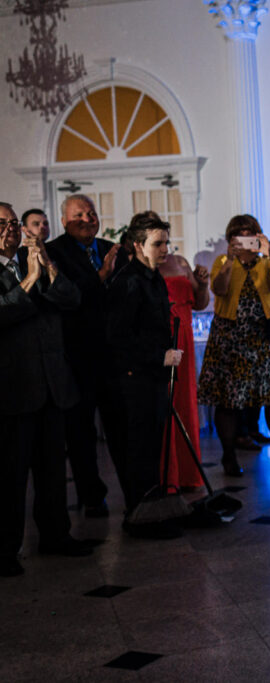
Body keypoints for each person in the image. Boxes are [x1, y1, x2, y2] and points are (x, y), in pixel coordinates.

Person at [0, 202, 92, 576]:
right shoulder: (18, 271)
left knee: (53, 470)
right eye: (0, 224)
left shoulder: (36, 258)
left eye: (10, 223)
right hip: (12, 387)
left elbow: (72, 299)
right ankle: (5, 550)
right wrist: (27, 281)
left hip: (52, 383)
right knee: (10, 476)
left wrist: (46, 269)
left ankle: (56, 536)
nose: (8, 229)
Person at [105, 213, 185, 539]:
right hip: (133, 381)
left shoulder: (153, 277)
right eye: (158, 243)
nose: (165, 249)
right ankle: (139, 517)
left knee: (152, 447)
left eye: (167, 242)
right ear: (138, 245)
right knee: (138, 450)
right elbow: (116, 339)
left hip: (152, 377)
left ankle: (151, 514)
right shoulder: (127, 281)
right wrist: (159, 356)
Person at [197, 214, 270, 476]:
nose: (244, 237)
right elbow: (219, 289)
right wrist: (229, 260)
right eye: (238, 233)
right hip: (230, 339)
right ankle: (228, 455)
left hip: (262, 339)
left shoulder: (265, 264)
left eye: (249, 232)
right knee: (227, 401)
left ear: (258, 236)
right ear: (231, 239)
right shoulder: (222, 261)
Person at [46, 194, 122, 518]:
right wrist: (100, 277)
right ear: (64, 221)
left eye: (91, 213)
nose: (88, 218)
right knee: (81, 433)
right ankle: (92, 496)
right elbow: (66, 298)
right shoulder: (53, 252)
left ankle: (136, 491)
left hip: (114, 358)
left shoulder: (111, 249)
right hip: (76, 357)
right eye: (78, 214)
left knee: (122, 428)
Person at [154, 213, 210, 490]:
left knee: (186, 402)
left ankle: (189, 474)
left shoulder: (181, 263)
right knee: (166, 403)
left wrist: (204, 283)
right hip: (163, 337)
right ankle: (169, 476)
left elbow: (200, 302)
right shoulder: (142, 268)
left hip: (185, 335)